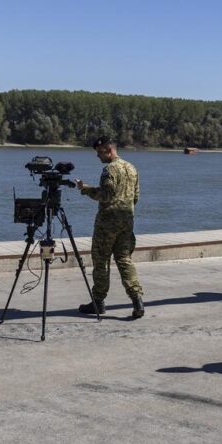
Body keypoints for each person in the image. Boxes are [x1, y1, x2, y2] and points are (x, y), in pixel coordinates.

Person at [76, 135, 145, 319]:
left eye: (100, 152)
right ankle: (137, 299)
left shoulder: (109, 170)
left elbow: (105, 196)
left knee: (101, 261)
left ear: (109, 150)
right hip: (127, 222)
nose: (98, 156)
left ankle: (98, 301)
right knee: (124, 259)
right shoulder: (132, 168)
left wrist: (85, 189)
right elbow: (136, 197)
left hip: (107, 224)